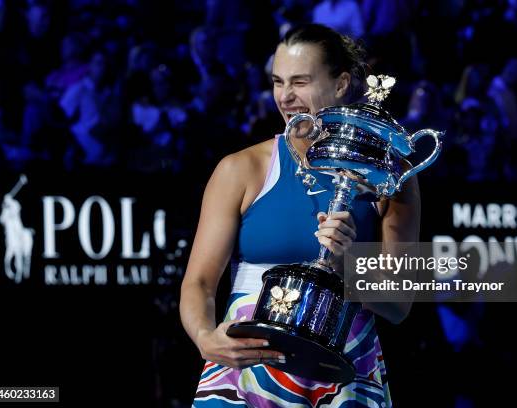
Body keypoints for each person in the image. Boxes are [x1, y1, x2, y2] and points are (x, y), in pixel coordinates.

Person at [180, 24, 420, 407]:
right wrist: (206, 338)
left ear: (341, 84)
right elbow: (199, 284)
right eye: (278, 82)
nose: (285, 97)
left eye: (300, 82)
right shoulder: (240, 169)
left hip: (343, 378)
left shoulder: (390, 179)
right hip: (245, 375)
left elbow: (399, 305)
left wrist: (347, 268)